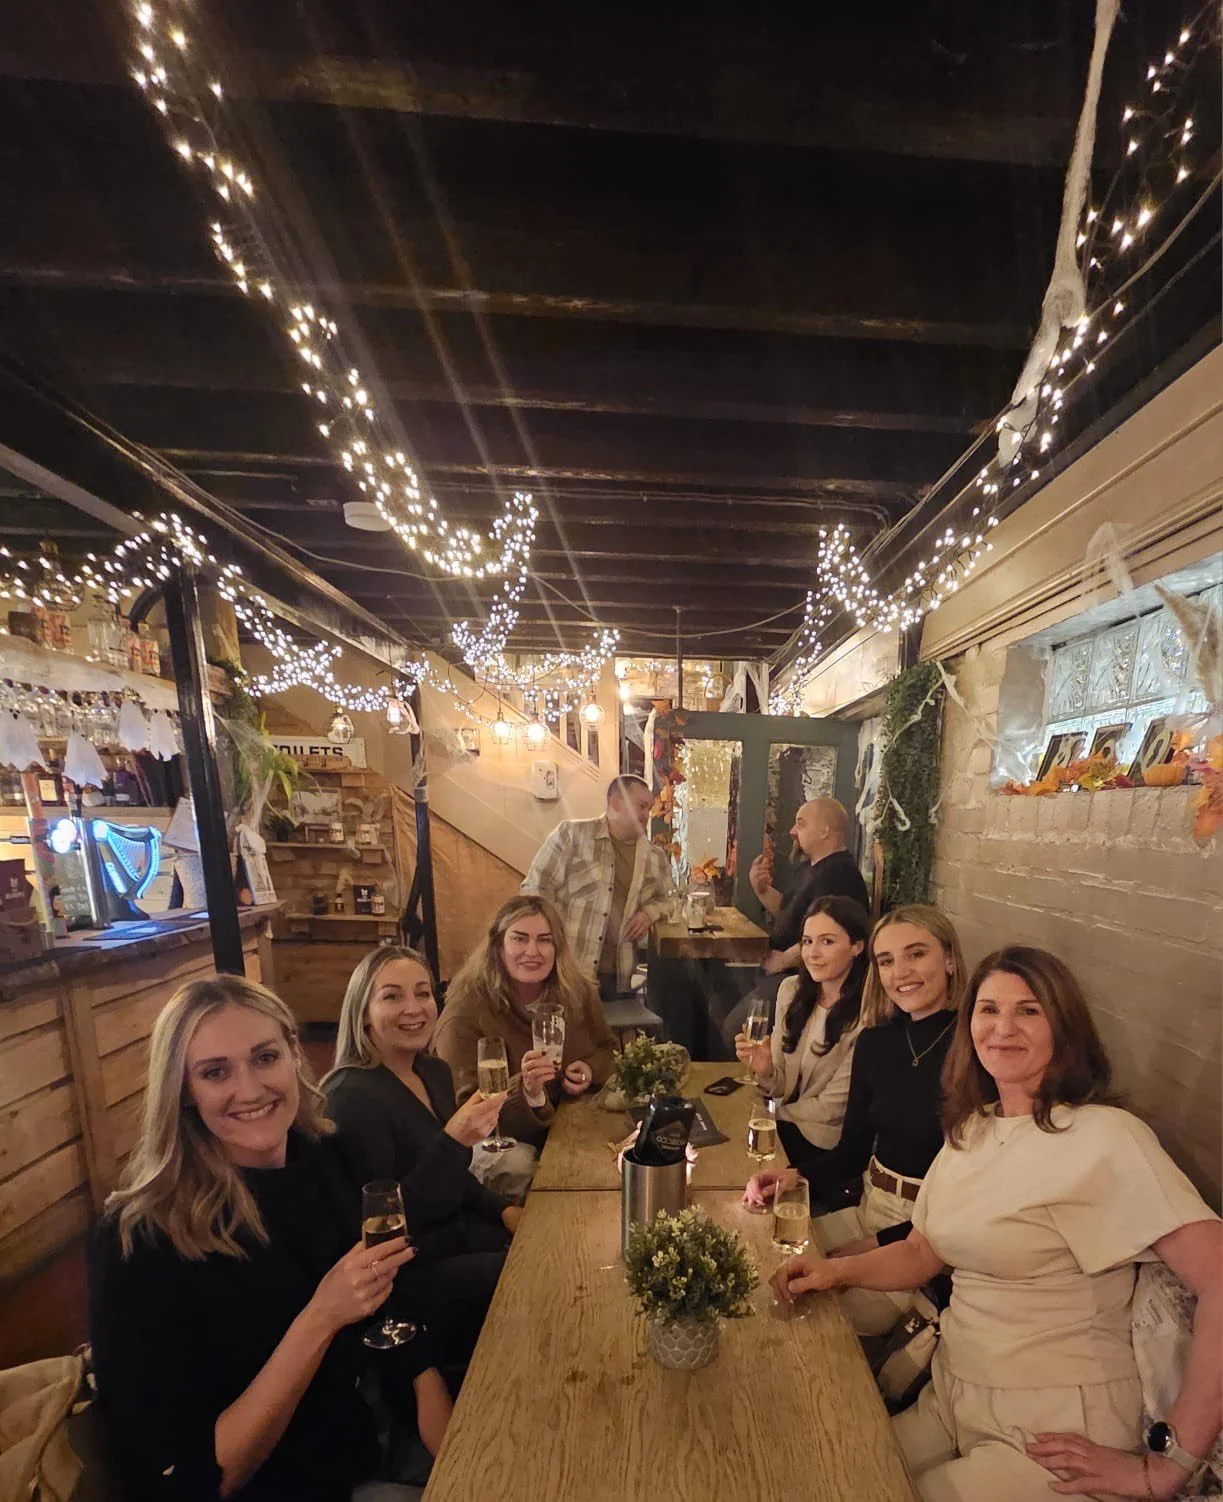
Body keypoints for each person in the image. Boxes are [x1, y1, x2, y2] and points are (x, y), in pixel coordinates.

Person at [772, 946, 1222, 1502]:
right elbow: (920, 1252)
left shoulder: (1104, 1137)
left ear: (1065, 1026)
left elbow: (1219, 1277)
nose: (1003, 1027)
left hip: (1051, 1429)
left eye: (1029, 1011)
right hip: (951, 1396)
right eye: (988, 1010)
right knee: (816, 1474)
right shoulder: (973, 1130)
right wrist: (833, 1272)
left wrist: (1168, 1464)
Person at [89, 974, 450, 1502]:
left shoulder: (324, 1153)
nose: (251, 1090)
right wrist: (321, 1317)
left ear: (294, 1055)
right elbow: (196, 1481)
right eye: (216, 1072)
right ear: (184, 1091)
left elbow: (392, 1302)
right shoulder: (138, 1242)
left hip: (376, 1435)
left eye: (264, 1058)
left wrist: (442, 1416)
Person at [745, 904, 966, 1334]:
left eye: (916, 954)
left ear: (951, 960)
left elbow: (962, 1209)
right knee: (763, 1266)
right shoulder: (877, 1042)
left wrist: (857, 1254)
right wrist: (793, 1175)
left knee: (808, 1322)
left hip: (926, 1238)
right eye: (887, 961)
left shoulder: (973, 1049)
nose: (901, 971)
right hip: (870, 1205)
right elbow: (851, 1152)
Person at [324, 945, 516, 1312]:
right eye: (392, 996)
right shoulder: (351, 1098)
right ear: (363, 1013)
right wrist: (453, 1141)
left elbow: (455, 1178)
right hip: (412, 1274)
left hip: (462, 1237)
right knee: (540, 1270)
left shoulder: (433, 1072)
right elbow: (386, 1228)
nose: (414, 1008)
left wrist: (503, 1210)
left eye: (423, 993)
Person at [434, 895, 617, 1145]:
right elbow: (463, 1113)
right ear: (498, 946)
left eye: (545, 940)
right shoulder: (466, 1011)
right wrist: (526, 1091)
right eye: (519, 939)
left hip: (571, 1124)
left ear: (558, 948)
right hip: (505, 1142)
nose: (532, 952)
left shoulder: (578, 992)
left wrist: (589, 1069)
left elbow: (609, 1049)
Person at [721, 797, 869, 1050]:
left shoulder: (839, 875)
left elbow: (828, 937)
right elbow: (787, 911)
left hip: (802, 976)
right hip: (777, 967)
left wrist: (783, 960)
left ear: (824, 831)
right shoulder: (809, 868)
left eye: (800, 823)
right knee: (717, 995)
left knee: (735, 1030)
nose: (792, 831)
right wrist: (762, 889)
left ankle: (757, 1082)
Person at [734, 895, 870, 1167]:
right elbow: (781, 1084)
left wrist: (768, 1115)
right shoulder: (791, 990)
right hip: (783, 1120)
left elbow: (831, 1108)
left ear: (857, 946)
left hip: (823, 1141)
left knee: (738, 1149)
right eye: (807, 941)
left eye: (827, 941)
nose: (812, 953)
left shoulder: (867, 1016)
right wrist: (765, 1070)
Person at [520, 773, 672, 1001]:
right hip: (567, 969)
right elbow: (534, 888)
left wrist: (649, 913)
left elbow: (671, 899)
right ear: (616, 803)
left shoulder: (655, 857)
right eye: (641, 806)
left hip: (619, 975)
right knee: (566, 1033)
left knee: (608, 1036)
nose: (646, 815)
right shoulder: (571, 836)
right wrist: (547, 938)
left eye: (648, 809)